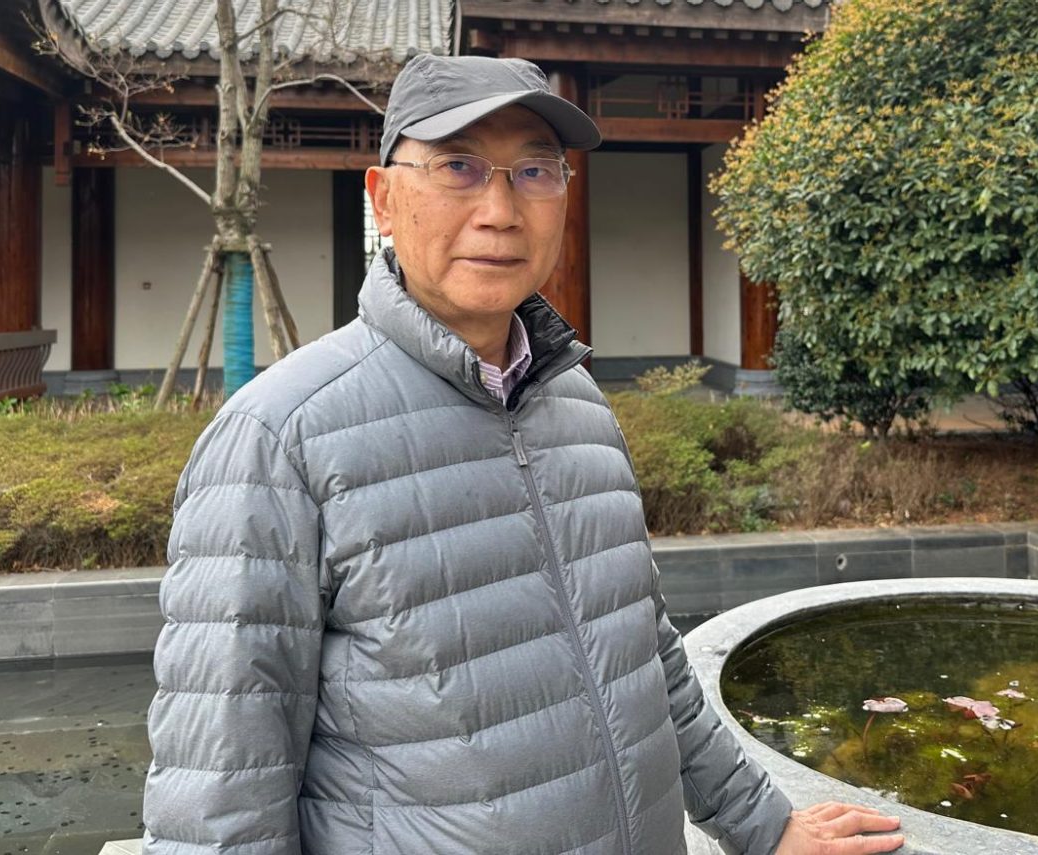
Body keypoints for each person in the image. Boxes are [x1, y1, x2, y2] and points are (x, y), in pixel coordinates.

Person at [141, 53, 905, 855]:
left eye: (535, 170)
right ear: (384, 199)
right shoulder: (281, 435)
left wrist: (764, 825)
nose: (500, 209)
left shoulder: (577, 403)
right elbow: (221, 788)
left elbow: (646, 659)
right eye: (458, 167)